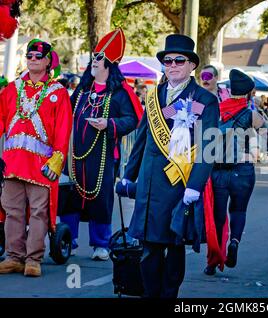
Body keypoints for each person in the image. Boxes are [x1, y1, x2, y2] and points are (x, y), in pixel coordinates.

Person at [122, 34, 219, 298]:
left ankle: (168, 296)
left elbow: (209, 148)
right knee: (149, 248)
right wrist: (128, 176)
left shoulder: (204, 99)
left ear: (191, 66)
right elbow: (142, 138)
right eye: (168, 60)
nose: (173, 65)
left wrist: (195, 186)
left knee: (174, 247)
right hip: (149, 184)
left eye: (179, 60)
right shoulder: (154, 96)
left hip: (179, 184)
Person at [203, 69, 268, 276]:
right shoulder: (253, 115)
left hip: (218, 172)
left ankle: (213, 261)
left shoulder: (216, 109)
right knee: (238, 211)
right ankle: (235, 242)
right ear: (249, 93)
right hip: (243, 170)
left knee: (218, 218)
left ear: (230, 91)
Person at [60, 28, 143, 260]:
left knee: (101, 199)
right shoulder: (82, 90)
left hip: (104, 155)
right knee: (70, 197)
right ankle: (69, 239)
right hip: (75, 154)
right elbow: (65, 112)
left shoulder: (120, 92)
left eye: (98, 58)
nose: (93, 62)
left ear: (109, 64)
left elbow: (133, 119)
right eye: (93, 58)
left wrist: (108, 123)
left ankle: (101, 244)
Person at [0, 39, 72, 276]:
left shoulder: (58, 92)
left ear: (48, 61)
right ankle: (14, 256)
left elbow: (63, 127)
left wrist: (58, 158)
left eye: (38, 57)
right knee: (13, 211)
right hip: (12, 163)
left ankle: (33, 259)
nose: (32, 59)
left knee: (40, 211)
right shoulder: (12, 88)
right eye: (29, 56)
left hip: (42, 166)